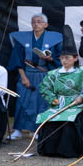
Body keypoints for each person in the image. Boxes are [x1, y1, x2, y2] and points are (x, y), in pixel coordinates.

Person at [8, 14, 60, 140]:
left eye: (39, 22)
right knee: (22, 101)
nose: (36, 24)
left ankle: (37, 130)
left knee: (42, 102)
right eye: (33, 22)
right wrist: (23, 77)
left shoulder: (54, 38)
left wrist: (50, 59)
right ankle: (18, 129)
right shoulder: (23, 39)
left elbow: (60, 59)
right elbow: (17, 59)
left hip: (45, 75)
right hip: (26, 74)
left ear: (46, 25)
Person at [35, 27, 83, 158]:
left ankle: (68, 150)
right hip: (58, 103)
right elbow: (44, 88)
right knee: (50, 119)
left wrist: (81, 97)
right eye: (62, 58)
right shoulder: (53, 73)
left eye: (67, 58)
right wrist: (52, 99)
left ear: (75, 58)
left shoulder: (81, 72)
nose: (64, 61)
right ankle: (49, 150)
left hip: (76, 104)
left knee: (69, 121)